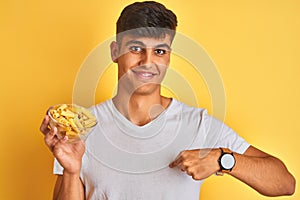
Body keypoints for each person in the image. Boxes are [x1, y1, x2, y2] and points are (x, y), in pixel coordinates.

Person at [40, 1, 295, 200]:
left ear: (169, 57)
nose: (147, 62)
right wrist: (72, 171)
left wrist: (221, 159)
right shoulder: (81, 129)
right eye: (136, 48)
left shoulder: (198, 125)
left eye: (159, 51)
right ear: (115, 52)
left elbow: (284, 183)